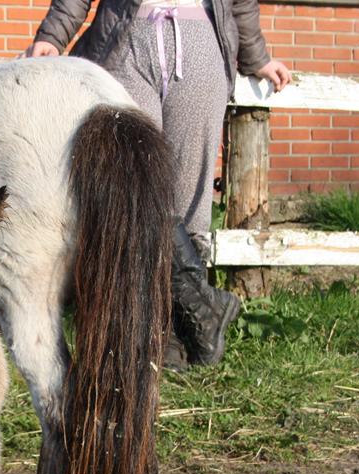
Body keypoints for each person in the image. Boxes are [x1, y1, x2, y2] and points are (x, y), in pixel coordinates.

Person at [24, 0, 291, 370]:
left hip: (201, 43)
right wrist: (53, 36)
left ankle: (184, 323)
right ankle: (164, 324)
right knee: (137, 191)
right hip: (127, 41)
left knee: (189, 197)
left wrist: (256, 55)